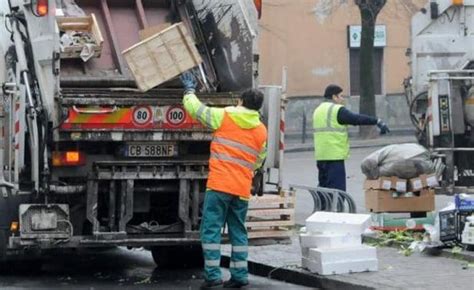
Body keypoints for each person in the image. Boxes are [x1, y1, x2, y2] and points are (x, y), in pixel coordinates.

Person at [180, 72, 267, 289]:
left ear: (240, 102)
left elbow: (196, 110)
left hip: (219, 185)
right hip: (241, 188)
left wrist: (189, 91)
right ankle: (239, 276)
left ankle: (212, 276)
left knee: (211, 230)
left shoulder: (224, 116)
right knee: (238, 231)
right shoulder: (261, 130)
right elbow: (259, 160)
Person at [313, 84, 390, 192]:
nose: (342, 99)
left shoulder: (318, 110)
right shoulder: (336, 110)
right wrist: (377, 121)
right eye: (340, 96)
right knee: (337, 190)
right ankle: (337, 209)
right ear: (334, 97)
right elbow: (356, 119)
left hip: (321, 155)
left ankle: (323, 208)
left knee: (324, 187)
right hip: (334, 156)